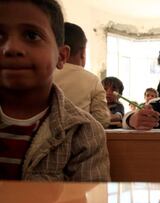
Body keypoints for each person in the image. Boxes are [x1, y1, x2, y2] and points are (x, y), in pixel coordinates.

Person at [0, 0, 110, 181]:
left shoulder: (84, 132)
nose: (12, 48)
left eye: (31, 35)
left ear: (61, 56)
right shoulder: (92, 81)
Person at [53, 22, 110, 128]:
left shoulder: (45, 76)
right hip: (79, 141)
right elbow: (102, 120)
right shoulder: (93, 80)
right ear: (83, 53)